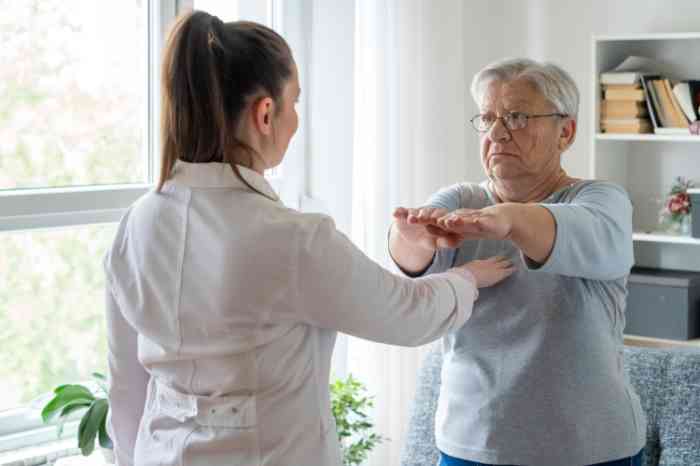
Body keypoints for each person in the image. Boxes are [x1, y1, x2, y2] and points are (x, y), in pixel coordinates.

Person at [104, 11, 514, 466]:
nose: (295, 120)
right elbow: (410, 315)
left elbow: (126, 386)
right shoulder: (290, 238)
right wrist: (468, 278)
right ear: (265, 113)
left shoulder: (136, 224)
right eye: (293, 102)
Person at [389, 58, 646, 466]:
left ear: (566, 131)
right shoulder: (462, 200)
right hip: (472, 442)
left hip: (590, 448)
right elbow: (413, 253)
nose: (496, 132)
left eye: (517, 117)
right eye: (488, 118)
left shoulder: (602, 201)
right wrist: (409, 237)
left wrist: (507, 219)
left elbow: (559, 228)